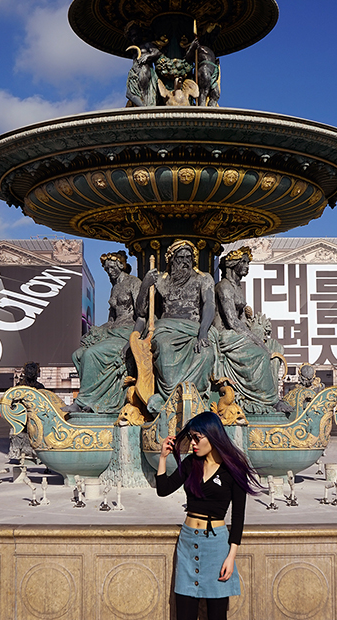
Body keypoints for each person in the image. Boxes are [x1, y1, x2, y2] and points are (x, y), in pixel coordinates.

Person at [156, 412, 260, 619]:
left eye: (197, 438)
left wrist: (231, 557)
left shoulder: (233, 470)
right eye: (191, 438)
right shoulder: (190, 464)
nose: (193, 443)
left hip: (216, 545)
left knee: (217, 613)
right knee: (185, 610)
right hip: (187, 541)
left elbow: (238, 517)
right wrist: (162, 457)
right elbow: (163, 489)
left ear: (212, 436)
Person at [136, 240, 217, 412]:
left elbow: (209, 304)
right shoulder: (160, 281)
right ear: (171, 260)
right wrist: (145, 286)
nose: (185, 261)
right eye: (180, 257)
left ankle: (196, 398)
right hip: (167, 328)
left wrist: (203, 332)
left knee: (206, 353)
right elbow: (141, 312)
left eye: (189, 257)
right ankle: (170, 398)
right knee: (164, 348)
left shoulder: (204, 279)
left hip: (195, 328)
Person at [213, 247, 289, 414]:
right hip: (224, 335)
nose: (247, 266)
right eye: (244, 262)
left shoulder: (237, 287)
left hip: (235, 333)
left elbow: (240, 321)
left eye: (247, 262)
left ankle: (268, 395)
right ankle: (269, 400)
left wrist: (255, 334)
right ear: (232, 265)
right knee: (260, 354)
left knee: (272, 346)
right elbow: (231, 321)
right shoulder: (224, 287)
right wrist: (254, 339)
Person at [67, 251, 143, 413]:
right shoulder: (115, 288)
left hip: (127, 331)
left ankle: (83, 401)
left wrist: (133, 341)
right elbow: (111, 320)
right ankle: (95, 400)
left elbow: (142, 316)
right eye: (107, 269)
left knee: (91, 354)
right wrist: (94, 331)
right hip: (113, 330)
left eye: (112, 267)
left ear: (121, 266)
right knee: (78, 354)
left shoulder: (134, 283)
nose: (110, 271)